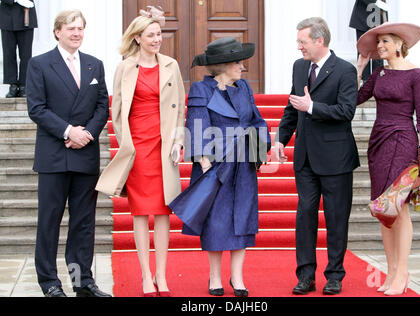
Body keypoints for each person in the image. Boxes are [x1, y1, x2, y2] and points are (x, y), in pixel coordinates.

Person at [169, 37, 271, 297]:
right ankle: (215, 277)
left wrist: (260, 149)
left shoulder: (244, 87)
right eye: (238, 63)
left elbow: (257, 121)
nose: (243, 68)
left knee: (242, 221)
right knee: (216, 221)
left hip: (243, 164)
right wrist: (203, 161)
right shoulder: (202, 90)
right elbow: (197, 122)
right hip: (215, 167)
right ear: (224, 65)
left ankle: (237, 278)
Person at [95, 6, 185, 297]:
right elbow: (117, 111)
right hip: (138, 147)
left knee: (163, 211)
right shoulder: (125, 67)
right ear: (137, 38)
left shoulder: (171, 64)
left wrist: (177, 140)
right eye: (151, 35)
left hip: (164, 145)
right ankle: (145, 274)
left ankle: (161, 273)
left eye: (159, 34)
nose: (157, 39)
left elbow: (181, 107)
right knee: (140, 213)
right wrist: (126, 144)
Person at [273, 17, 360, 295]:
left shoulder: (344, 70)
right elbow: (292, 105)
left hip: (336, 158)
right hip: (306, 158)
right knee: (305, 216)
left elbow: (346, 112)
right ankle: (305, 275)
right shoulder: (299, 67)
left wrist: (312, 107)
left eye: (303, 42)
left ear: (319, 41)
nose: (299, 47)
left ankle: (334, 275)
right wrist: (280, 140)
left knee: (336, 218)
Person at [27, 9, 110, 297]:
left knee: (83, 223)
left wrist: (86, 134)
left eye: (80, 28)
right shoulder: (39, 64)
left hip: (85, 153)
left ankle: (81, 281)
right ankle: (49, 283)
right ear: (57, 32)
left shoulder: (94, 65)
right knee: (49, 221)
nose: (76, 33)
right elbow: (36, 108)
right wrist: (68, 131)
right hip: (54, 153)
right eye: (71, 28)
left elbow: (102, 106)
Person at [356, 22, 420, 295]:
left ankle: (402, 272)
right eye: (378, 42)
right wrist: (359, 66)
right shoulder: (379, 74)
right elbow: (353, 98)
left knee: (398, 208)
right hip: (378, 143)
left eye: (386, 41)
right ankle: (390, 272)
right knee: (383, 210)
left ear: (400, 44)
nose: (380, 46)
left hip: (403, 142)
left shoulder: (417, 75)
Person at [0, 0, 37, 98]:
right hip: (7, 15)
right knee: (9, 53)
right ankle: (12, 85)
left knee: (26, 54)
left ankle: (24, 85)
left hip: (26, 13)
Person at [349, 0, 388, 83]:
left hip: (378, 13)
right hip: (362, 16)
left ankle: (378, 80)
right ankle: (364, 81)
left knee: (379, 47)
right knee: (363, 49)